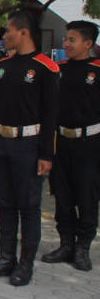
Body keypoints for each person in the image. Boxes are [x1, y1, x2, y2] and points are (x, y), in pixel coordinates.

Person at [0, 10, 59, 286]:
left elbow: (51, 116)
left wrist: (47, 154)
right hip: (3, 142)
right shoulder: (3, 66)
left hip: (29, 144)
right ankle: (5, 257)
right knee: (5, 201)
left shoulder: (46, 68)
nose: (5, 35)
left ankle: (25, 264)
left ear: (23, 32)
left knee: (29, 205)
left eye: (9, 30)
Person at [44, 20, 100, 272]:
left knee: (87, 197)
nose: (66, 44)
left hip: (90, 143)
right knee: (62, 196)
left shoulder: (97, 69)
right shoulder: (59, 69)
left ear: (88, 43)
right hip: (61, 141)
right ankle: (66, 243)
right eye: (66, 39)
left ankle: (82, 248)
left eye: (72, 40)